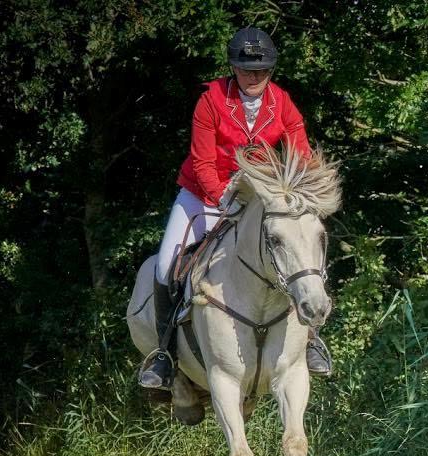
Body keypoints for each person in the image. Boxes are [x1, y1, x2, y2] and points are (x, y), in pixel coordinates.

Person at [138, 26, 333, 390]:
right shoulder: (211, 100)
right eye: (246, 70)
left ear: (270, 71)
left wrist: (302, 193)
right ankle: (165, 355)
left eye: (261, 70)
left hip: (257, 196)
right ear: (234, 69)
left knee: (300, 251)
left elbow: (301, 154)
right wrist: (221, 198)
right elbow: (202, 162)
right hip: (202, 193)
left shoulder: (282, 103)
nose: (254, 77)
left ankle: (311, 340)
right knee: (167, 264)